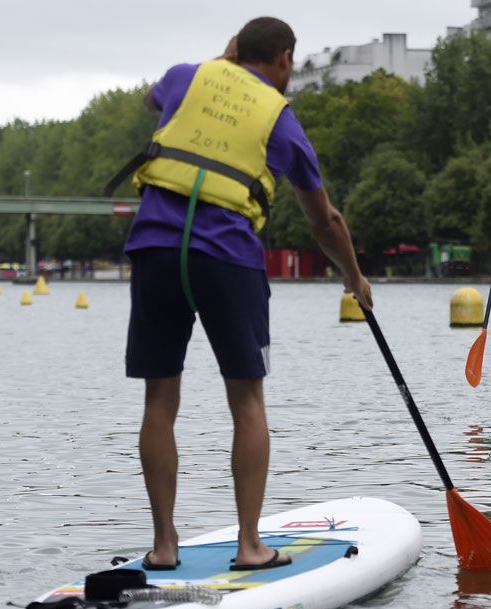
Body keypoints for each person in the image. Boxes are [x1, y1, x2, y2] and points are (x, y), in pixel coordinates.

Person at [114, 17, 371, 572]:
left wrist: (221, 61)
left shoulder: (186, 76)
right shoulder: (282, 121)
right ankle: (250, 546)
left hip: (155, 249)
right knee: (247, 401)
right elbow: (324, 220)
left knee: (159, 400)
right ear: (284, 59)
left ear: (233, 49)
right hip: (227, 258)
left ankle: (163, 546)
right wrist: (354, 277)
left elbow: (149, 100)